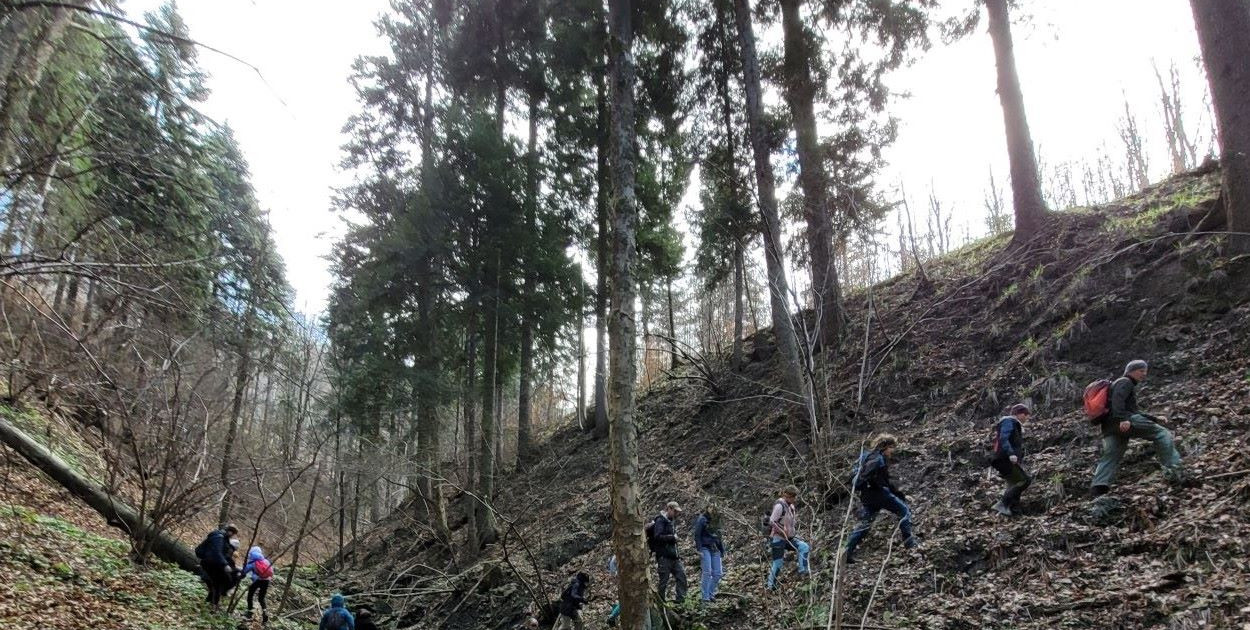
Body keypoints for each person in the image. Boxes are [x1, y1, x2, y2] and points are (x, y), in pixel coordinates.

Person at [1091, 360, 1184, 496]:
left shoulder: (1118, 384)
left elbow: (1133, 410)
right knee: (1162, 433)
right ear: (1131, 371)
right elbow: (1118, 401)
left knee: (1111, 455)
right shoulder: (1125, 382)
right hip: (1124, 421)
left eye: (1145, 371)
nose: (1144, 374)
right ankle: (1175, 470)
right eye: (1141, 371)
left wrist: (1154, 418)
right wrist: (1123, 419)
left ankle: (1098, 487)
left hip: (1109, 427)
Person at [843, 434, 917, 564]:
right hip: (879, 494)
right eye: (892, 448)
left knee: (865, 525)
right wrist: (900, 495)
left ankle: (846, 553)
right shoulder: (878, 460)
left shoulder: (866, 456)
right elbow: (885, 482)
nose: (892, 451)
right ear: (886, 447)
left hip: (866, 496)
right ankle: (910, 544)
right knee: (904, 510)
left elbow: (860, 476)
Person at [990, 404, 1033, 516]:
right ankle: (1002, 504)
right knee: (1024, 480)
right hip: (1004, 458)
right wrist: (1011, 453)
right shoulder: (1009, 421)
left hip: (1005, 459)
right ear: (1018, 414)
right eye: (1025, 414)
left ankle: (1015, 512)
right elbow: (1004, 438)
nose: (1027, 417)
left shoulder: (1014, 424)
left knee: (1015, 483)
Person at [766, 486, 810, 589]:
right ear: (787, 496)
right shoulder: (779, 506)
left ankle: (803, 571)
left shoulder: (791, 507)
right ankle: (770, 586)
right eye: (793, 496)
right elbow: (772, 522)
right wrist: (782, 531)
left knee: (804, 547)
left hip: (789, 538)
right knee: (778, 563)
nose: (794, 499)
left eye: (795, 497)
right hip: (778, 538)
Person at [650, 501, 688, 602]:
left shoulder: (671, 521)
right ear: (669, 509)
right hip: (663, 556)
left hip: (674, 556)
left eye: (677, 512)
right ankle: (661, 602)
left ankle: (681, 600)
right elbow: (657, 536)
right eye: (675, 511)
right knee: (664, 581)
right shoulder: (660, 521)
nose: (677, 514)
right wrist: (672, 537)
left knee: (681, 576)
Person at [194, 523, 238, 609]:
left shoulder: (224, 539)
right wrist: (225, 565)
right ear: (227, 530)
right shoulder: (219, 538)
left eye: (233, 532)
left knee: (216, 585)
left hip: (213, 564)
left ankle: (211, 603)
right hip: (212, 565)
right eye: (231, 531)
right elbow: (217, 552)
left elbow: (223, 554)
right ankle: (213, 605)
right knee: (216, 585)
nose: (231, 534)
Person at [692, 505, 725, 602]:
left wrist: (722, 549)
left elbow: (719, 536)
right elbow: (697, 534)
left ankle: (710, 593)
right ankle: (705, 597)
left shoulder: (717, 520)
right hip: (705, 548)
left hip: (715, 548)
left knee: (718, 573)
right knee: (707, 572)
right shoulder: (702, 519)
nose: (713, 510)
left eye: (715, 508)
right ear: (707, 508)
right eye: (711, 507)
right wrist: (699, 549)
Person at [241, 545, 275, 624]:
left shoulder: (253, 562)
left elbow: (244, 572)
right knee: (261, 598)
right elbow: (272, 571)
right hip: (266, 581)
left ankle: (249, 613)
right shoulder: (266, 561)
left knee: (250, 595)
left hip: (257, 581)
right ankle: (265, 614)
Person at [605, 555, 620, 627]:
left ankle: (613, 615)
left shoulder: (614, 559)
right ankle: (612, 616)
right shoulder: (616, 558)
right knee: (624, 601)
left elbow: (613, 574)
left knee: (622, 601)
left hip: (619, 580)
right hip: (622, 581)